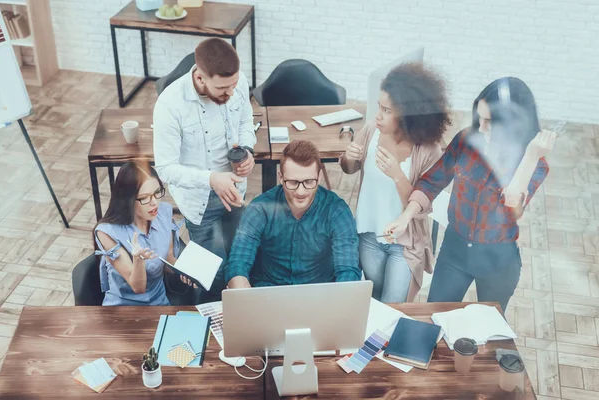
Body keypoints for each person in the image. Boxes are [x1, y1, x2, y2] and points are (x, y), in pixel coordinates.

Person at [385, 77, 556, 312]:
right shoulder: (466, 140)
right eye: (480, 118)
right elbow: (432, 181)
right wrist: (406, 217)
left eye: (491, 122)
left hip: (497, 260)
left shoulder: (534, 163)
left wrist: (530, 156)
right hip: (455, 250)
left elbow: (512, 209)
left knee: (490, 330)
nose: (482, 128)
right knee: (434, 316)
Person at [153, 38, 256, 302]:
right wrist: (211, 179)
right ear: (200, 76)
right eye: (222, 88)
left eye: (233, 85)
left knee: (239, 264)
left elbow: (246, 119)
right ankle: (210, 330)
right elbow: (165, 169)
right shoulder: (170, 104)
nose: (231, 93)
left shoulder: (237, 81)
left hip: (235, 193)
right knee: (212, 275)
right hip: (199, 202)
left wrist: (247, 150)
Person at [339, 63, 451, 303]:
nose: (378, 115)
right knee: (376, 302)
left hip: (405, 244)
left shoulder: (429, 150)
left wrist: (397, 175)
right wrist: (349, 158)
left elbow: (423, 206)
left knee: (393, 308)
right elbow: (349, 169)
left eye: (387, 110)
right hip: (368, 235)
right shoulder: (371, 131)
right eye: (379, 107)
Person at [225, 140, 361, 288]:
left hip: (319, 295)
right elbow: (238, 261)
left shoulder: (337, 211)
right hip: (269, 294)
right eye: (293, 182)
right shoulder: (259, 209)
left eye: (309, 181)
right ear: (281, 177)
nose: (300, 192)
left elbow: (348, 270)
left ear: (319, 177)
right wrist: (241, 287)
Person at [94, 163, 195, 306]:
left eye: (157, 193)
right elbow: (138, 287)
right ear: (127, 199)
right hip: (122, 307)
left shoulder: (163, 213)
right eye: (144, 197)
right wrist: (138, 260)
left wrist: (187, 272)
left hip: (159, 302)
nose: (154, 202)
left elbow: (168, 259)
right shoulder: (107, 232)